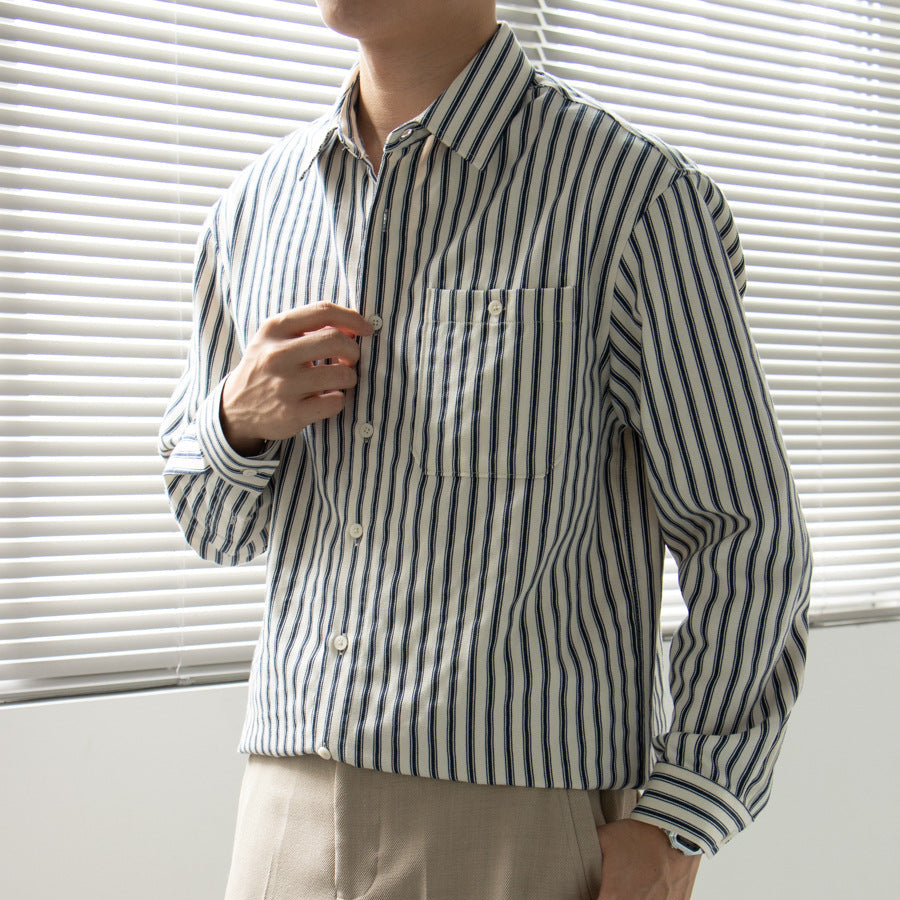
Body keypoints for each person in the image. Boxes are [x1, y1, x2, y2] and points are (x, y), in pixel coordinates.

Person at [158, 2, 812, 898]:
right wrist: (236, 418)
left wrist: (680, 818)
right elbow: (214, 527)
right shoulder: (255, 209)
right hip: (285, 801)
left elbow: (745, 531)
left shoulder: (634, 198)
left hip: (513, 816)